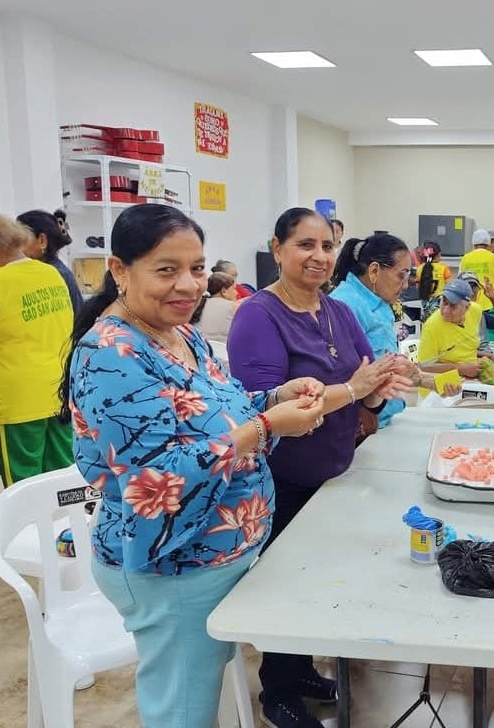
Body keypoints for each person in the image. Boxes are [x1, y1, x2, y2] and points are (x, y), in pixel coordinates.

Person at [62, 203, 328, 728]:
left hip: (215, 554)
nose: (188, 285)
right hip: (173, 563)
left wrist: (275, 398)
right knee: (181, 710)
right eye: (167, 270)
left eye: (198, 268)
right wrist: (266, 427)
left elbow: (219, 413)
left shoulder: (181, 333)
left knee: (198, 691)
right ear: (119, 270)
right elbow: (153, 478)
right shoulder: (111, 353)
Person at [228, 207, 410, 728]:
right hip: (281, 479)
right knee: (284, 583)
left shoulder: (338, 312)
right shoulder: (258, 315)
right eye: (305, 245)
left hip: (336, 473)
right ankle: (279, 692)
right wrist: (353, 389)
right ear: (277, 248)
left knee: (318, 581)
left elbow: (365, 390)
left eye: (327, 246)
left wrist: (378, 391)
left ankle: (302, 670)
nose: (319, 256)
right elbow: (262, 409)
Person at [0, 213, 74, 487]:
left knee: (23, 484)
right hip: (60, 388)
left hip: (18, 399)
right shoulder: (51, 272)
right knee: (63, 480)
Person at [331, 233, 447, 427]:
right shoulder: (345, 305)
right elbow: (342, 377)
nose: (405, 285)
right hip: (361, 426)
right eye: (401, 275)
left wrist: (418, 377)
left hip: (384, 417)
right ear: (374, 271)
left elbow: (378, 359)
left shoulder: (379, 302)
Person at [416, 278, 489, 380]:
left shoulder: (476, 311)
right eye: (444, 302)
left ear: (467, 308)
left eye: (453, 306)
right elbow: (424, 366)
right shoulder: (432, 326)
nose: (446, 310)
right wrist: (460, 369)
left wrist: (487, 357)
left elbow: (466, 346)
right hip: (446, 379)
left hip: (475, 372)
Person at [17, 209, 84, 315]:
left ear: (42, 240)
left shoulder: (56, 274)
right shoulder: (33, 270)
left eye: (21, 240)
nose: (16, 247)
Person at [459, 228, 494, 311]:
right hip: (490, 302)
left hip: (470, 302)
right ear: (488, 244)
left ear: (473, 244)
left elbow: (460, 282)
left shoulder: (465, 258)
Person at [191, 271, 240, 341]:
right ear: (224, 291)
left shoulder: (197, 305)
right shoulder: (234, 307)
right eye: (234, 289)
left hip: (201, 346)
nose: (236, 293)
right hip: (225, 347)